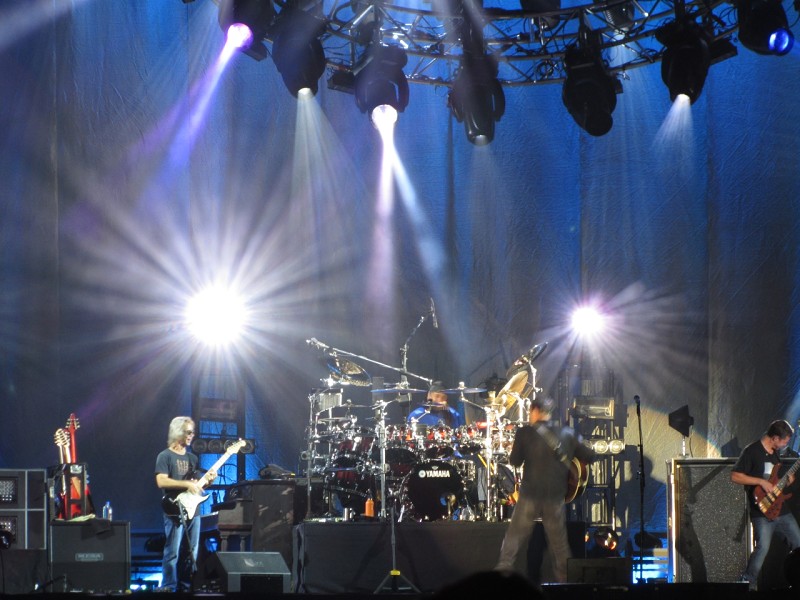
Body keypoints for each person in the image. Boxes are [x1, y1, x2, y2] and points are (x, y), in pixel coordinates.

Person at [495, 396, 593, 582]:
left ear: (534, 411)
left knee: (514, 537)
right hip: (555, 496)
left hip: (530, 494)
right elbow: (589, 455)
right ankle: (566, 582)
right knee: (559, 544)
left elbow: (515, 461)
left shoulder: (525, 432)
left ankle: (502, 574)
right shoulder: (567, 432)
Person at [731, 419, 800, 590]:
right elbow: (735, 476)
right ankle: (748, 583)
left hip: (781, 509)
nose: (786, 444)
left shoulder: (775, 453)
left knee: (798, 543)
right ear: (775, 438)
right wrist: (760, 482)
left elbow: (774, 480)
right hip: (761, 511)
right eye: (784, 441)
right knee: (762, 548)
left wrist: (787, 481)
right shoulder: (752, 451)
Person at [155, 416, 217, 592]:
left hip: (194, 509)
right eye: (188, 432)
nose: (191, 435)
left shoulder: (192, 458)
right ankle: (169, 585)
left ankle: (187, 585)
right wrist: (186, 484)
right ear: (178, 432)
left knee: (193, 551)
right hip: (174, 508)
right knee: (172, 551)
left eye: (192, 432)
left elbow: (196, 486)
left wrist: (209, 481)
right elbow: (161, 481)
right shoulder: (165, 456)